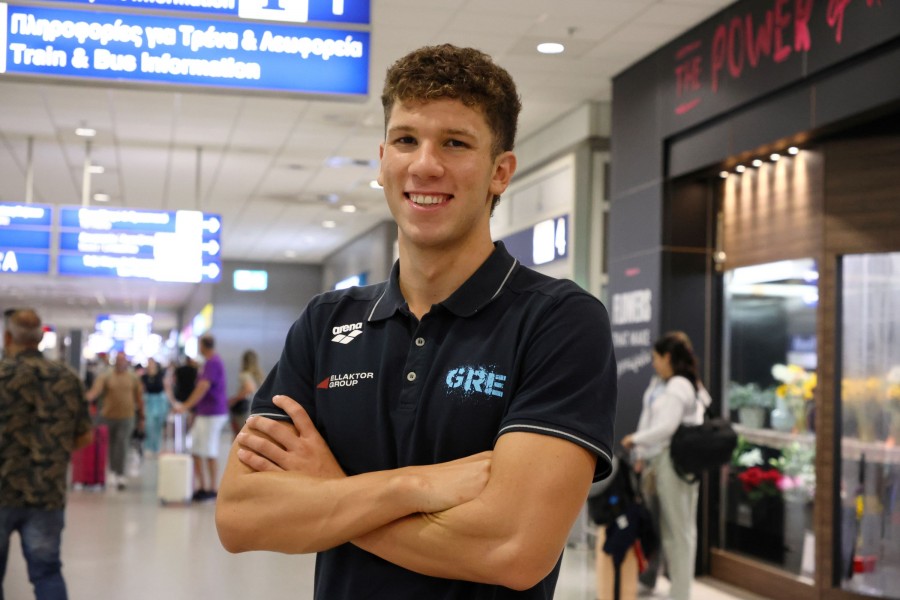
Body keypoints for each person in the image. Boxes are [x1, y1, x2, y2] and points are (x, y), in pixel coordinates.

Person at [216, 44, 617, 599]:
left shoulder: (558, 321)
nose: (425, 164)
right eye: (406, 140)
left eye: (455, 143)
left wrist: (331, 490)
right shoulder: (325, 322)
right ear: (383, 159)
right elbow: (241, 516)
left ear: (501, 172)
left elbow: (513, 549)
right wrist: (411, 486)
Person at [0, 308, 94, 599]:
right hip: (47, 492)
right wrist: (53, 449)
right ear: (40, 338)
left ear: (7, 338)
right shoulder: (66, 378)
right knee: (47, 572)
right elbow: (85, 435)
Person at [621, 332, 707, 600]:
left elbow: (667, 427)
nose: (653, 363)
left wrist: (636, 439)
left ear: (667, 357)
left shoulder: (680, 385)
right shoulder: (665, 383)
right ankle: (673, 587)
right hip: (662, 461)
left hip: (674, 463)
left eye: (656, 357)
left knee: (679, 532)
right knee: (672, 530)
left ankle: (681, 593)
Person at [174, 334, 228, 501]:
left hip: (212, 413)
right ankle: (202, 486)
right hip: (204, 413)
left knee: (209, 451)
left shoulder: (213, 363)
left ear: (203, 345)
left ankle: (212, 488)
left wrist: (186, 405)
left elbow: (203, 387)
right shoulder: (207, 363)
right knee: (196, 449)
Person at [86, 352, 144, 490]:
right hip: (108, 416)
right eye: (118, 360)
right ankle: (111, 471)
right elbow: (95, 391)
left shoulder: (133, 378)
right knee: (110, 446)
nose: (120, 362)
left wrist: (142, 417)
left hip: (127, 416)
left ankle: (120, 473)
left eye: (123, 360)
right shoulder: (106, 376)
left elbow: (139, 398)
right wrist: (84, 398)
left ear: (126, 362)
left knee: (122, 445)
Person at [227, 350, 264, 437]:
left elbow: (249, 388)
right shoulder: (259, 376)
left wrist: (235, 399)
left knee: (240, 434)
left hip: (244, 409)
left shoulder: (244, 375)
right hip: (256, 408)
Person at [141, 357, 170, 456]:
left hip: (160, 403)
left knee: (158, 426)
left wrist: (173, 403)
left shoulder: (160, 376)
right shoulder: (144, 377)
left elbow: (167, 389)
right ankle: (149, 447)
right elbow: (141, 390)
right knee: (149, 426)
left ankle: (157, 447)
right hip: (149, 402)